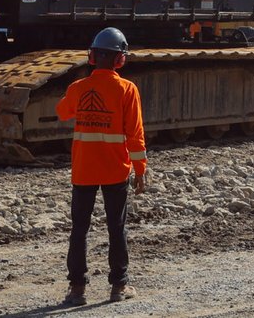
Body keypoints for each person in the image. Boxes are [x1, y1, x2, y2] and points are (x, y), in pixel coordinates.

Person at [55, 27, 148, 305]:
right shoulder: (127, 90)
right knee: (116, 228)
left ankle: (77, 289)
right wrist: (140, 169)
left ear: (93, 56)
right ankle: (119, 286)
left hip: (84, 170)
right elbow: (135, 134)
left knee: (79, 229)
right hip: (115, 170)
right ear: (120, 59)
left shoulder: (78, 88)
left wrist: (77, 94)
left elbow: (62, 112)